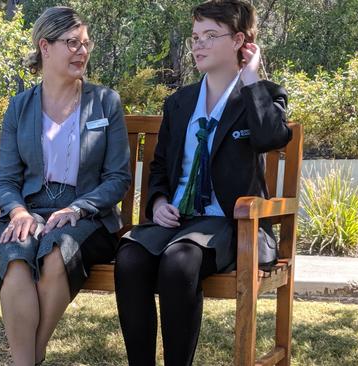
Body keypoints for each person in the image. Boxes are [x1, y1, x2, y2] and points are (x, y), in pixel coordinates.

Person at [114, 1, 293, 365]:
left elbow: (272, 137)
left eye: (211, 36)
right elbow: (161, 165)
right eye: (195, 37)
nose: (198, 45)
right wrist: (159, 201)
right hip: (178, 219)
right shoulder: (179, 103)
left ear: (239, 41)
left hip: (232, 223)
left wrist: (252, 78)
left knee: (180, 262)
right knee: (130, 258)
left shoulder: (260, 95)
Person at [0, 7, 131, 366]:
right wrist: (19, 211)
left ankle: (28, 360)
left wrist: (77, 208)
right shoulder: (20, 107)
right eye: (72, 43)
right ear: (45, 47)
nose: (82, 52)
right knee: (18, 259)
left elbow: (117, 178)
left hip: (87, 213)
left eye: (86, 44)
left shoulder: (105, 102)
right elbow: (6, 179)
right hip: (29, 208)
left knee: (55, 254)